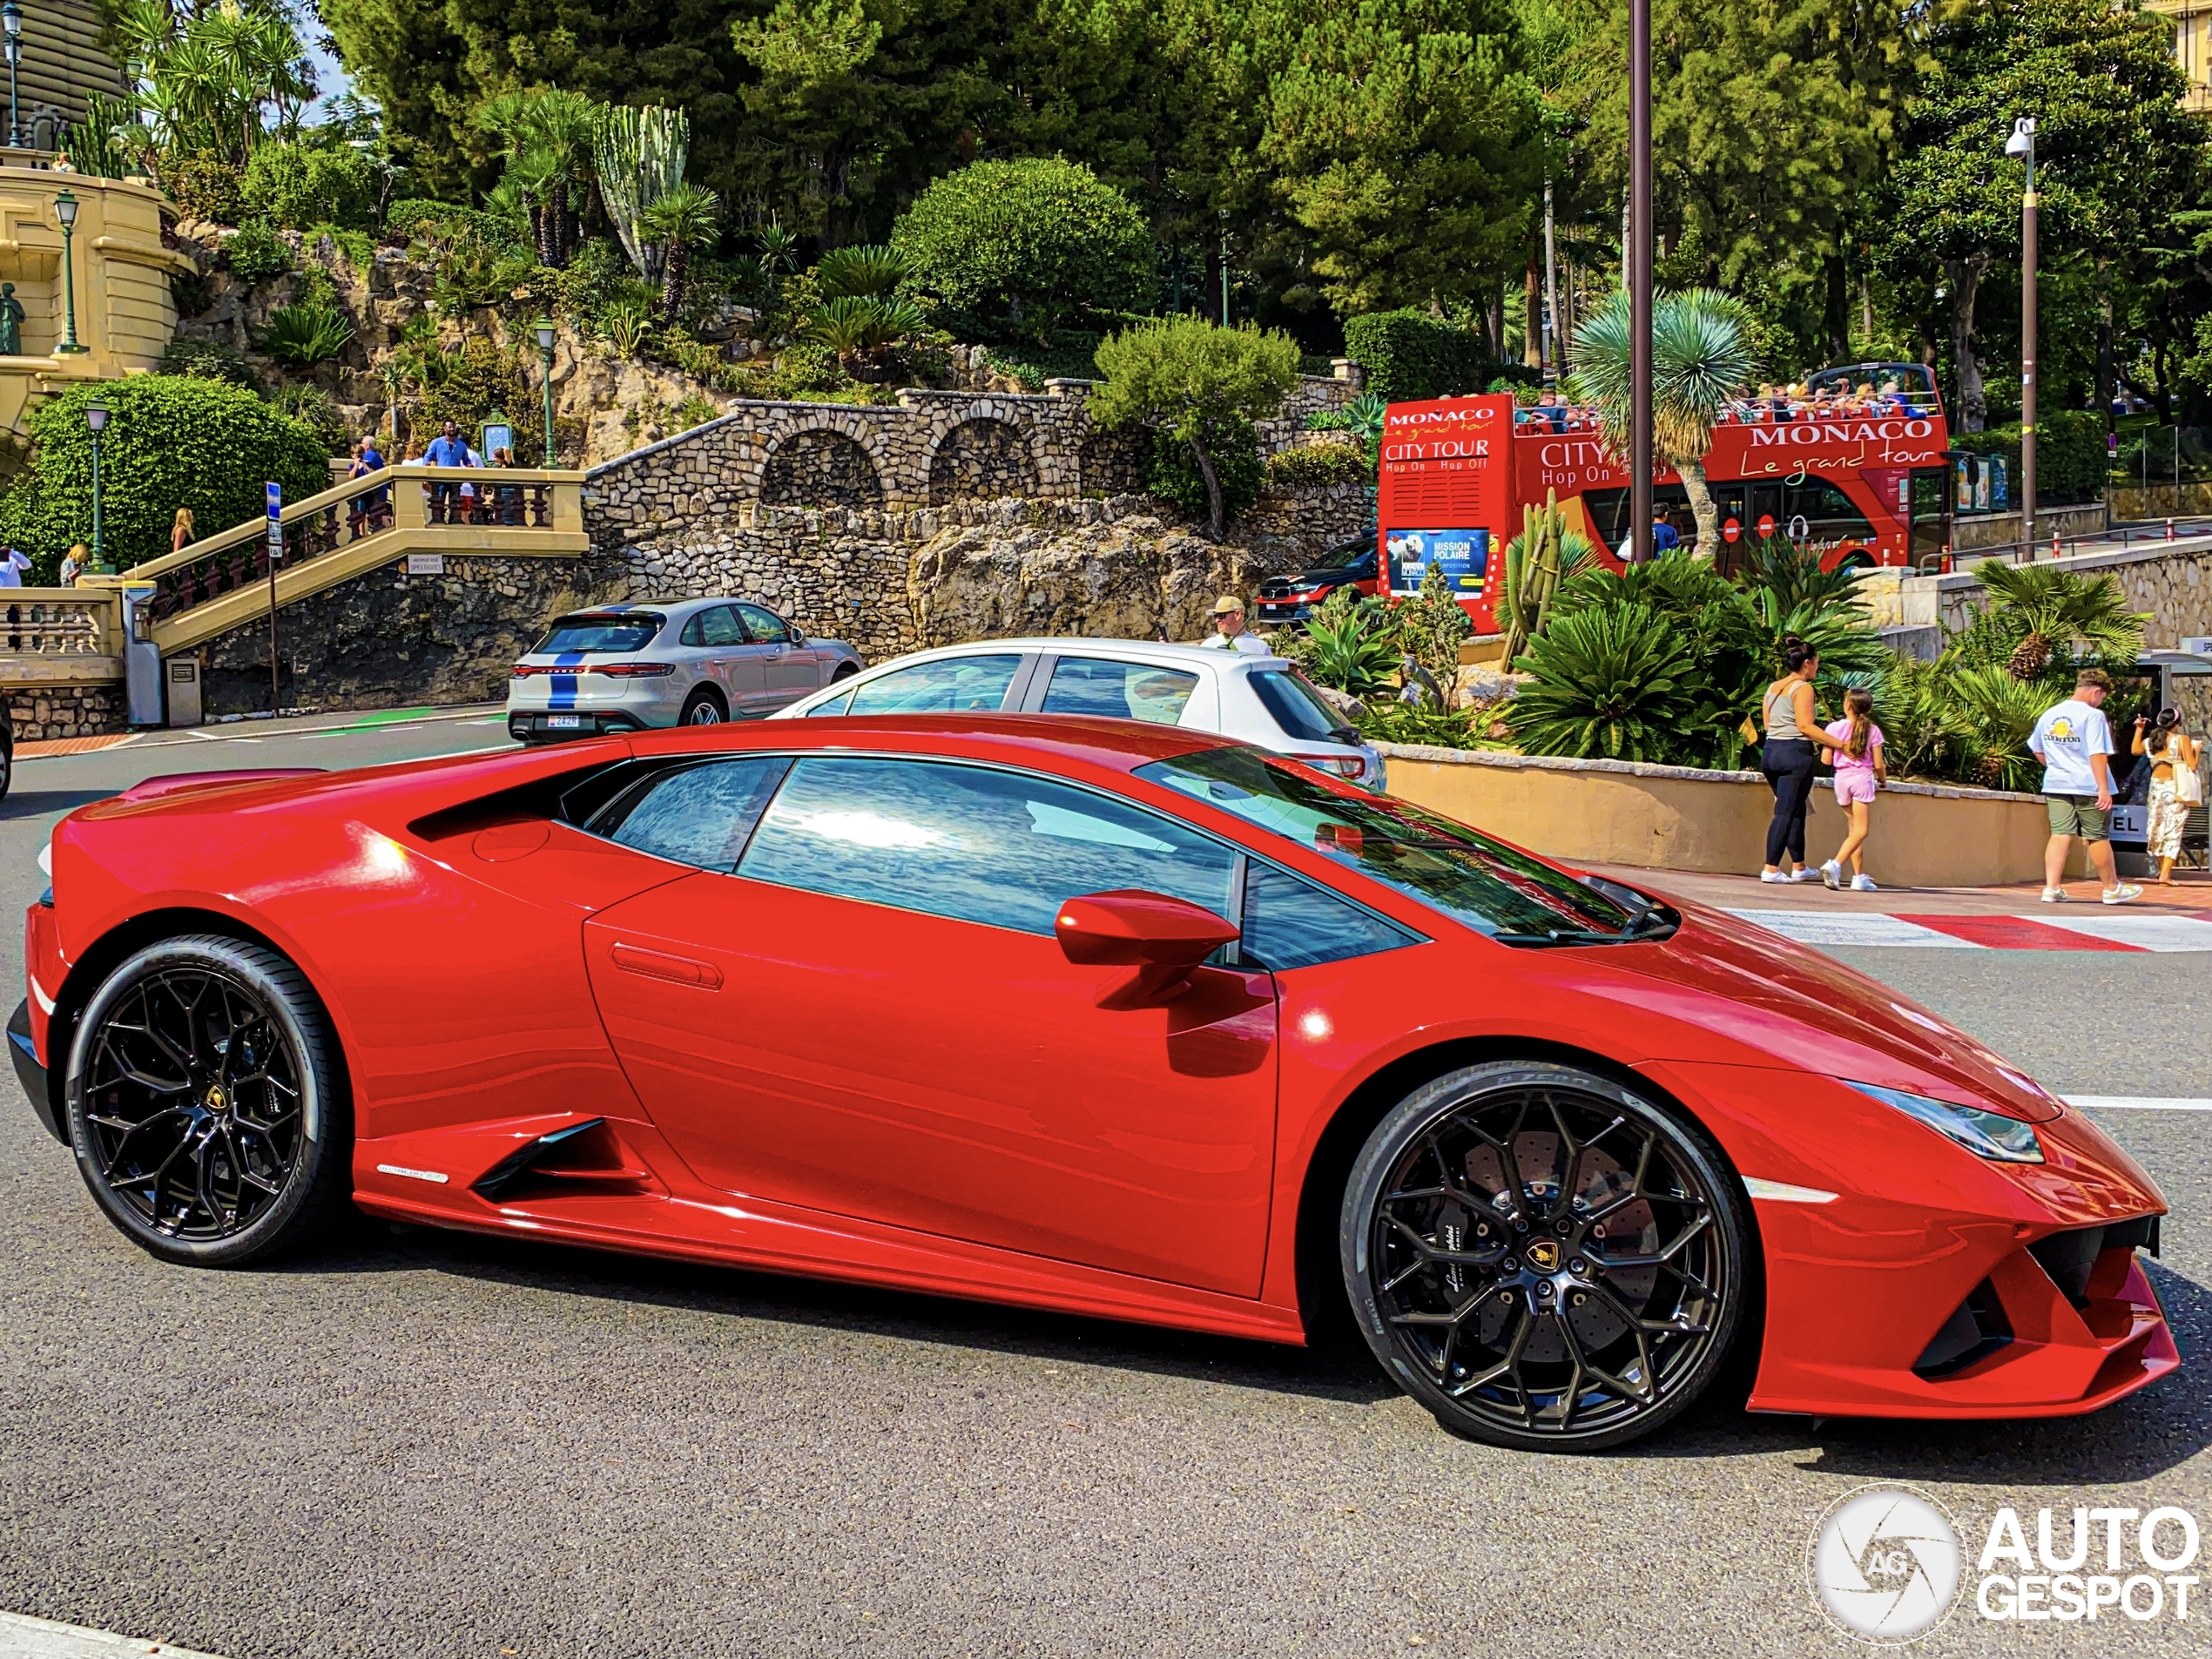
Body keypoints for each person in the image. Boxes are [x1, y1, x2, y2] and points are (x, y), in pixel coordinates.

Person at [2029, 667, 2141, 905]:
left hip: (2057, 783)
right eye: (2102, 697)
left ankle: (2052, 888)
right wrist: (2102, 787)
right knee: (2097, 836)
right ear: (2096, 692)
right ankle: (2111, 888)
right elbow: (2097, 753)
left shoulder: (2050, 713)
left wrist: (2057, 766)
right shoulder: (2093, 716)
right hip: (2087, 784)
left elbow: (2037, 748)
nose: (2100, 702)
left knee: (2060, 833)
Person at [1758, 637, 1841, 883]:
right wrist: (1840, 744)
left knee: (1796, 809)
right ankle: (1771, 869)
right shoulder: (1803, 688)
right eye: (1816, 663)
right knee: (1784, 812)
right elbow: (1805, 726)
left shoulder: (1774, 687)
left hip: (1772, 752)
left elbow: (1767, 723)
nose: (1817, 667)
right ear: (1807, 663)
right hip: (1794, 754)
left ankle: (1799, 866)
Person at [1818, 687, 1886, 890]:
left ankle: (1859, 877)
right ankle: (1835, 864)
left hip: (1841, 779)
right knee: (1862, 830)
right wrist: (1883, 779)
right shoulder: (1872, 730)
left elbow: (1825, 759)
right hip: (1861, 780)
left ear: (1847, 705)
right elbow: (1878, 764)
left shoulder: (1833, 729)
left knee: (1853, 830)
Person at [2134, 708, 2203, 887]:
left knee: (2156, 829)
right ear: (2176, 724)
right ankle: (2165, 874)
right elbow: (2192, 765)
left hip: (2156, 789)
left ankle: (2162, 871)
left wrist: (2140, 729)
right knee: (2174, 830)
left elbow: (2135, 750)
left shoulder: (2150, 742)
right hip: (2175, 789)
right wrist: (2196, 750)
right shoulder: (2182, 740)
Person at [423, 421, 470, 523]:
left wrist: (469, 464)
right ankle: (438, 520)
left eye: (453, 427)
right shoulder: (436, 443)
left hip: (455, 479)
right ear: (444, 429)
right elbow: (428, 456)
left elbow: (466, 459)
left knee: (455, 502)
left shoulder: (462, 445)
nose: (452, 429)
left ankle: (454, 521)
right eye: (449, 427)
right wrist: (426, 464)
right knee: (439, 500)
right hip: (441, 478)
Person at [1200, 595, 1270, 655]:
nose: (1217, 620)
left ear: (1237, 614)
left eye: (1221, 615)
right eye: (1216, 616)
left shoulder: (1261, 646)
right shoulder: (1208, 646)